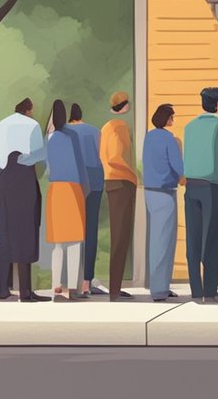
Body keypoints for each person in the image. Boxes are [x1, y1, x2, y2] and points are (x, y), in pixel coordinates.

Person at [0, 98, 47, 302]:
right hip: (24, 178)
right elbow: (40, 154)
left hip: (5, 178)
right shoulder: (32, 125)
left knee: (5, 231)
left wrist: (2, 176)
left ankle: (3, 289)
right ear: (29, 110)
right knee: (26, 230)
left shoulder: (0, 124)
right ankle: (25, 291)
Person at [182, 87, 218, 303]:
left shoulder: (189, 127)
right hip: (215, 185)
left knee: (193, 239)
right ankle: (210, 290)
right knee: (211, 239)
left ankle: (196, 291)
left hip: (191, 185)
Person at [44, 100, 89, 301]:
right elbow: (80, 165)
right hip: (73, 189)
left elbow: (46, 168)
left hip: (56, 190)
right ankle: (72, 287)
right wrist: (85, 189)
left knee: (58, 244)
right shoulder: (73, 137)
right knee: (74, 242)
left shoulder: (49, 138)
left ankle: (56, 285)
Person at [142, 103, 183, 303]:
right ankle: (160, 289)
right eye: (172, 117)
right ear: (166, 119)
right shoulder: (169, 138)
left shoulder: (149, 137)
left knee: (156, 238)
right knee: (164, 241)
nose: (173, 120)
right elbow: (177, 165)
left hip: (149, 191)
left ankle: (160, 286)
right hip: (165, 191)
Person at [99, 92, 137, 301]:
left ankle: (115, 286)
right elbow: (115, 156)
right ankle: (115, 289)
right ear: (125, 106)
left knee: (118, 236)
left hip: (110, 181)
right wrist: (133, 173)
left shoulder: (105, 127)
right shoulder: (119, 126)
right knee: (121, 237)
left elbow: (103, 155)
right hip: (122, 182)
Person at [66, 104, 103, 298]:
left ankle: (71, 282)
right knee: (91, 229)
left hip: (73, 182)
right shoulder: (94, 131)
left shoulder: (63, 132)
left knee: (71, 232)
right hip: (94, 181)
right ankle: (87, 281)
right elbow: (100, 157)